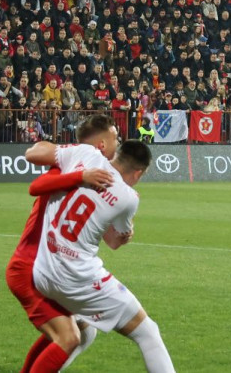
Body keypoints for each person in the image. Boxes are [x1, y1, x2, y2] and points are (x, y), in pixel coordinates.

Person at [23, 139, 174, 372]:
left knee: (84, 332)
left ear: (117, 154)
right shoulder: (128, 197)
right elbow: (114, 242)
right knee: (148, 332)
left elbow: (38, 154)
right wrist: (126, 235)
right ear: (138, 173)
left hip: (43, 270)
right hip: (76, 277)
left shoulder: (85, 154)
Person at [6, 115, 118, 373]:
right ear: (101, 144)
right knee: (68, 337)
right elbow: (37, 184)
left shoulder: (97, 177)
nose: (118, 143)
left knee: (83, 330)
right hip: (31, 266)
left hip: (54, 269)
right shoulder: (72, 167)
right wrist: (81, 175)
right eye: (116, 138)